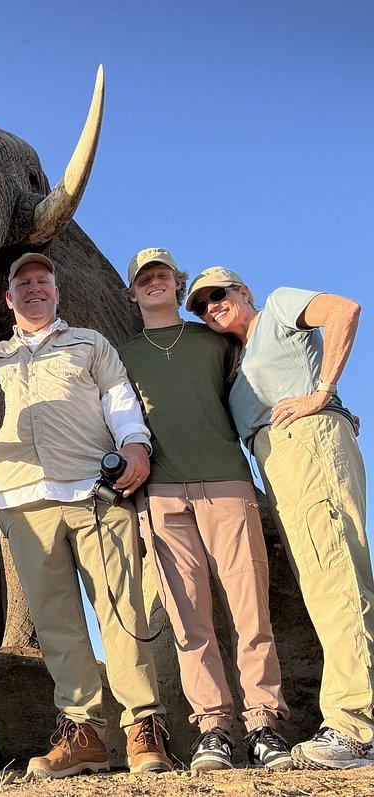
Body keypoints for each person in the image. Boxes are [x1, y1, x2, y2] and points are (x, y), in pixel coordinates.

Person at [0, 252, 172, 778]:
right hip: (22, 499)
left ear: (57, 292)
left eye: (44, 281)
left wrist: (135, 445)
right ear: (9, 298)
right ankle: (83, 733)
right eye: (24, 284)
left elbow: (119, 400)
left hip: (94, 492)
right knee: (56, 621)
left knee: (122, 611)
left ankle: (143, 728)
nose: (34, 289)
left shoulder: (91, 344)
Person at [186, 266, 374, 770]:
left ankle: (356, 728)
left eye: (218, 295)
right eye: (201, 305)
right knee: (323, 582)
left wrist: (323, 392)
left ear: (243, 290)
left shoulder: (279, 306)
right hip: (278, 461)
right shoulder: (239, 356)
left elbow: (344, 309)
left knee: (338, 581)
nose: (211, 308)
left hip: (307, 444)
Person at [120, 248, 291, 771]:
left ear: (178, 283)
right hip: (163, 495)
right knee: (189, 618)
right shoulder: (120, 353)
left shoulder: (213, 340)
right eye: (144, 279)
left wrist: (330, 405)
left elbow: (265, 383)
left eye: (162, 276)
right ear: (132, 293)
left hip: (228, 483)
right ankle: (213, 728)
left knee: (250, 611)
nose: (154, 284)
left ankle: (264, 723)